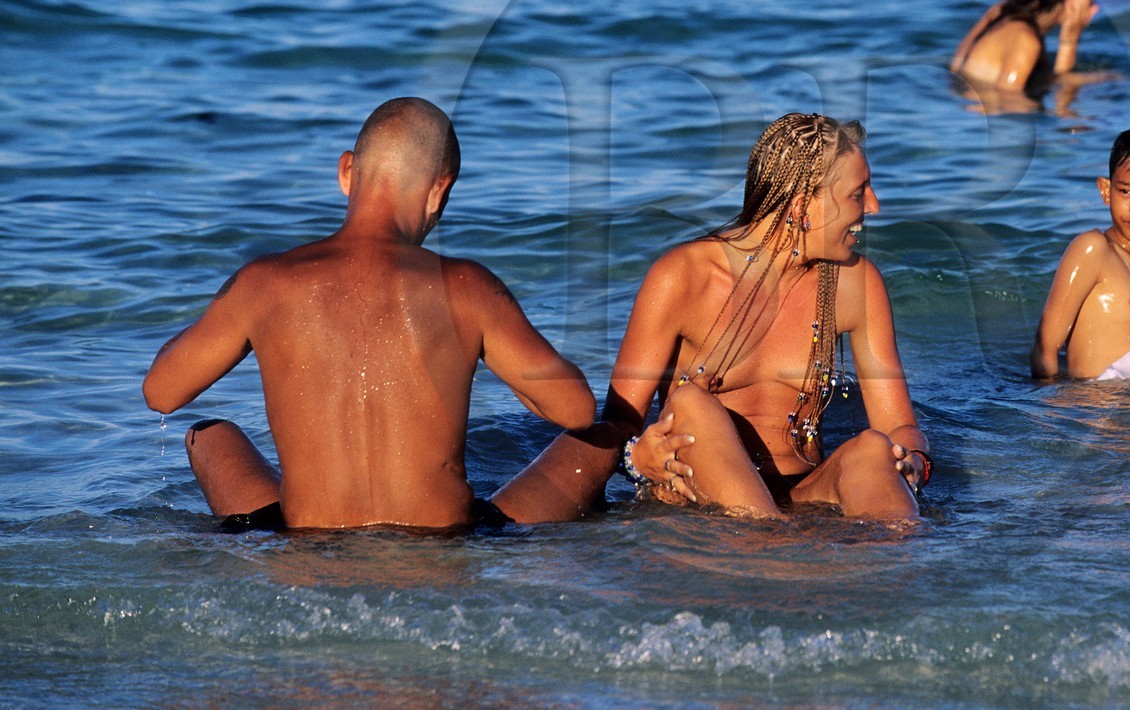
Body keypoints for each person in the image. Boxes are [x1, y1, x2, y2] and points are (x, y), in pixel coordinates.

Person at [141, 98, 607, 531]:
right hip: (439, 546)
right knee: (602, 435)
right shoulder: (468, 287)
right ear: (438, 192)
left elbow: (161, 391)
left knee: (209, 435)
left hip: (304, 545)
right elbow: (576, 409)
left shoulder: (264, 282)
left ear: (347, 171)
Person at [553, 113, 930, 519]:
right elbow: (617, 426)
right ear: (803, 205)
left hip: (805, 493)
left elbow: (899, 428)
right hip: (704, 498)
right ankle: (766, 550)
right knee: (691, 404)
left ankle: (900, 563)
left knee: (873, 448)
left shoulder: (856, 284)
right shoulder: (682, 278)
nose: (874, 206)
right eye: (859, 193)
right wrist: (635, 458)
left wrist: (912, 463)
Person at [1032, 126, 1130, 382]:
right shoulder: (1094, 250)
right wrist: (1050, 408)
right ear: (1106, 191)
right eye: (1126, 191)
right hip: (1098, 404)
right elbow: (1045, 346)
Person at [950, 0, 1101, 99]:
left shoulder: (1004, 8)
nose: (1095, 7)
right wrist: (1070, 40)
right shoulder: (1025, 40)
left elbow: (956, 66)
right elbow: (1009, 105)